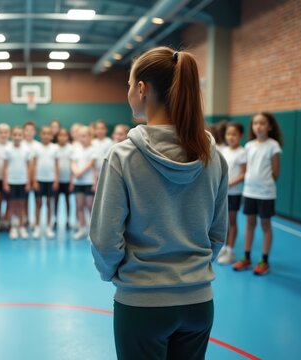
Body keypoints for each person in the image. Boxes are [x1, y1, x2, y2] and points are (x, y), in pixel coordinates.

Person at [90, 47, 228, 360]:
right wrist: (193, 270)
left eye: (128, 84)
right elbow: (218, 234)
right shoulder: (213, 156)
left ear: (142, 89)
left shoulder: (122, 156)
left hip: (142, 304)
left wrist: (119, 276)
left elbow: (105, 240)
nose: (129, 91)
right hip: (199, 303)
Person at [233, 112, 282, 275]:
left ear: (269, 126)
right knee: (249, 224)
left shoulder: (273, 145)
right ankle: (246, 258)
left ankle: (264, 261)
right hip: (249, 192)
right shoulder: (249, 145)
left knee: (265, 225)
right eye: (255, 123)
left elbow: (276, 172)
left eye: (262, 123)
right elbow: (247, 169)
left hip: (266, 193)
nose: (258, 126)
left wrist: (265, 185)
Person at [216, 122, 247, 265]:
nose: (231, 137)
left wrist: (229, 183)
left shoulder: (242, 152)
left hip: (234, 193)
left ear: (240, 136)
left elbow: (244, 174)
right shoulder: (224, 150)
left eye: (234, 134)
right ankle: (224, 247)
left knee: (232, 221)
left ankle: (230, 250)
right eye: (228, 134)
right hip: (223, 192)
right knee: (224, 222)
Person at [2, 127, 32, 239]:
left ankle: (21, 226)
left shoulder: (26, 149)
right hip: (11, 182)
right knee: (12, 205)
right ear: (11, 136)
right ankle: (13, 227)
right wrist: (5, 182)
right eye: (15, 135)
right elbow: (4, 168)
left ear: (23, 136)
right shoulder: (7, 149)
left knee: (21, 205)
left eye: (19, 135)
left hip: (23, 181)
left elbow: (29, 167)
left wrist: (28, 182)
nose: (17, 137)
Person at [30, 126, 59, 239]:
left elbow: (56, 165)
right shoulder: (36, 148)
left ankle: (48, 227)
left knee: (48, 204)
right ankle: (37, 227)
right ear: (40, 134)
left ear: (51, 136)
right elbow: (34, 164)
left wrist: (56, 179)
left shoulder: (55, 148)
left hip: (50, 180)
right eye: (44, 133)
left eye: (48, 133)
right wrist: (34, 180)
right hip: (39, 180)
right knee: (38, 204)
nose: (46, 135)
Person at [70, 126, 98, 239]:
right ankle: (82, 228)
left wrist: (94, 183)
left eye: (84, 136)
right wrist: (75, 172)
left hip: (88, 182)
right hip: (78, 182)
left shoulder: (93, 149)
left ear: (90, 136)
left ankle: (92, 231)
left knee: (89, 205)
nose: (82, 138)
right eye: (80, 136)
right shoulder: (75, 148)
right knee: (79, 205)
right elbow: (73, 162)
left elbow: (92, 164)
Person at [55, 128, 74, 229]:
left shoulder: (71, 148)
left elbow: (72, 165)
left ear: (68, 137)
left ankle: (67, 219)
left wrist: (71, 181)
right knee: (56, 201)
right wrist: (55, 179)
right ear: (57, 137)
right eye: (60, 135)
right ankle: (55, 219)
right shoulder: (54, 148)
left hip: (67, 180)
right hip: (56, 181)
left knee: (67, 201)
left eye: (64, 135)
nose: (62, 138)